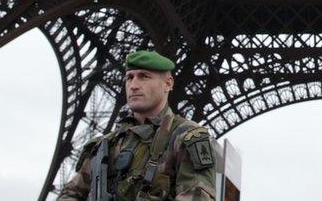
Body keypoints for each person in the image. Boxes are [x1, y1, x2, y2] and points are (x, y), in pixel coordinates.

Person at [59, 50, 216, 201]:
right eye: (129, 78)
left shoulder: (187, 137)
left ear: (168, 84)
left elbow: (196, 196)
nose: (133, 85)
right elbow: (72, 193)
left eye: (144, 77)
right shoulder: (104, 145)